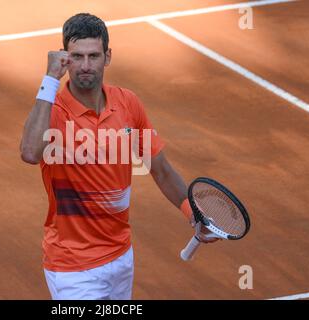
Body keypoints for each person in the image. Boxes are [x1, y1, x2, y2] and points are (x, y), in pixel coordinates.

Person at [20, 13, 217, 300]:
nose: (85, 66)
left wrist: (192, 212)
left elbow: (159, 169)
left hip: (120, 256)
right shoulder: (54, 110)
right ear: (65, 58)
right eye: (77, 56)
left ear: (107, 57)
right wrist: (49, 79)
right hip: (72, 266)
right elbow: (29, 152)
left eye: (93, 56)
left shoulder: (128, 104)